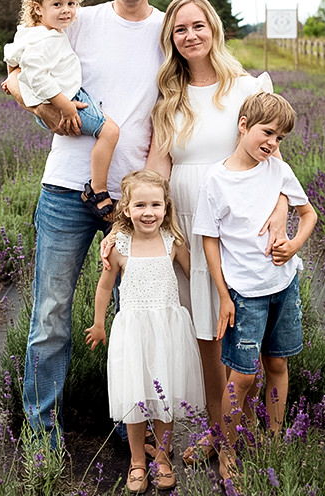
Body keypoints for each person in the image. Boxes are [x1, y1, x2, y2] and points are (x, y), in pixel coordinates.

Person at [4, 0, 164, 448]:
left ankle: (129, 429)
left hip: (131, 201)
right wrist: (46, 113)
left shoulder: (167, 33)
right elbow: (21, 67)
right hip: (65, 191)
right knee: (50, 315)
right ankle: (41, 431)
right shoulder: (81, 20)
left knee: (131, 316)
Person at [145, 0, 288, 463]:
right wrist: (139, 226)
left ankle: (243, 425)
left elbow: (277, 164)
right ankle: (215, 429)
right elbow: (158, 167)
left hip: (241, 226)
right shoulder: (170, 97)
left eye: (197, 26)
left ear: (214, 29)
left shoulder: (247, 88)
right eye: (180, 30)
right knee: (206, 333)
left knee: (243, 328)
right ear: (172, 39)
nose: (190, 36)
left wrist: (281, 215)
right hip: (189, 223)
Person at [192, 90, 318, 479]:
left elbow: (308, 213)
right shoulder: (217, 179)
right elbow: (208, 241)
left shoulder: (278, 170)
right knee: (243, 377)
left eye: (280, 138)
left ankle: (275, 437)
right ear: (243, 126)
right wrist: (224, 296)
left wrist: (294, 244)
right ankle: (227, 450)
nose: (272, 143)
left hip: (283, 285)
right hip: (245, 294)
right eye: (267, 133)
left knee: (277, 363)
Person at [86, 169, 205, 493]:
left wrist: (210, 310)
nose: (148, 212)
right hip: (134, 331)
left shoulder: (172, 242)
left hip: (168, 330)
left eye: (155, 204)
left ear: (166, 207)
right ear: (126, 209)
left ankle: (163, 458)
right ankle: (138, 460)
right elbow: (104, 288)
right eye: (140, 205)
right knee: (136, 399)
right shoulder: (119, 245)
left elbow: (197, 275)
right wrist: (99, 324)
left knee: (165, 399)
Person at [3, 0, 119, 220]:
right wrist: (64, 105)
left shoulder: (31, 34)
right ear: (37, 9)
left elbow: (10, 54)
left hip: (59, 98)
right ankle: (97, 190)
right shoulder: (45, 40)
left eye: (71, 3)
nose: (66, 10)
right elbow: (36, 75)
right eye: (57, 4)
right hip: (67, 100)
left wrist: (11, 76)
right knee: (110, 132)